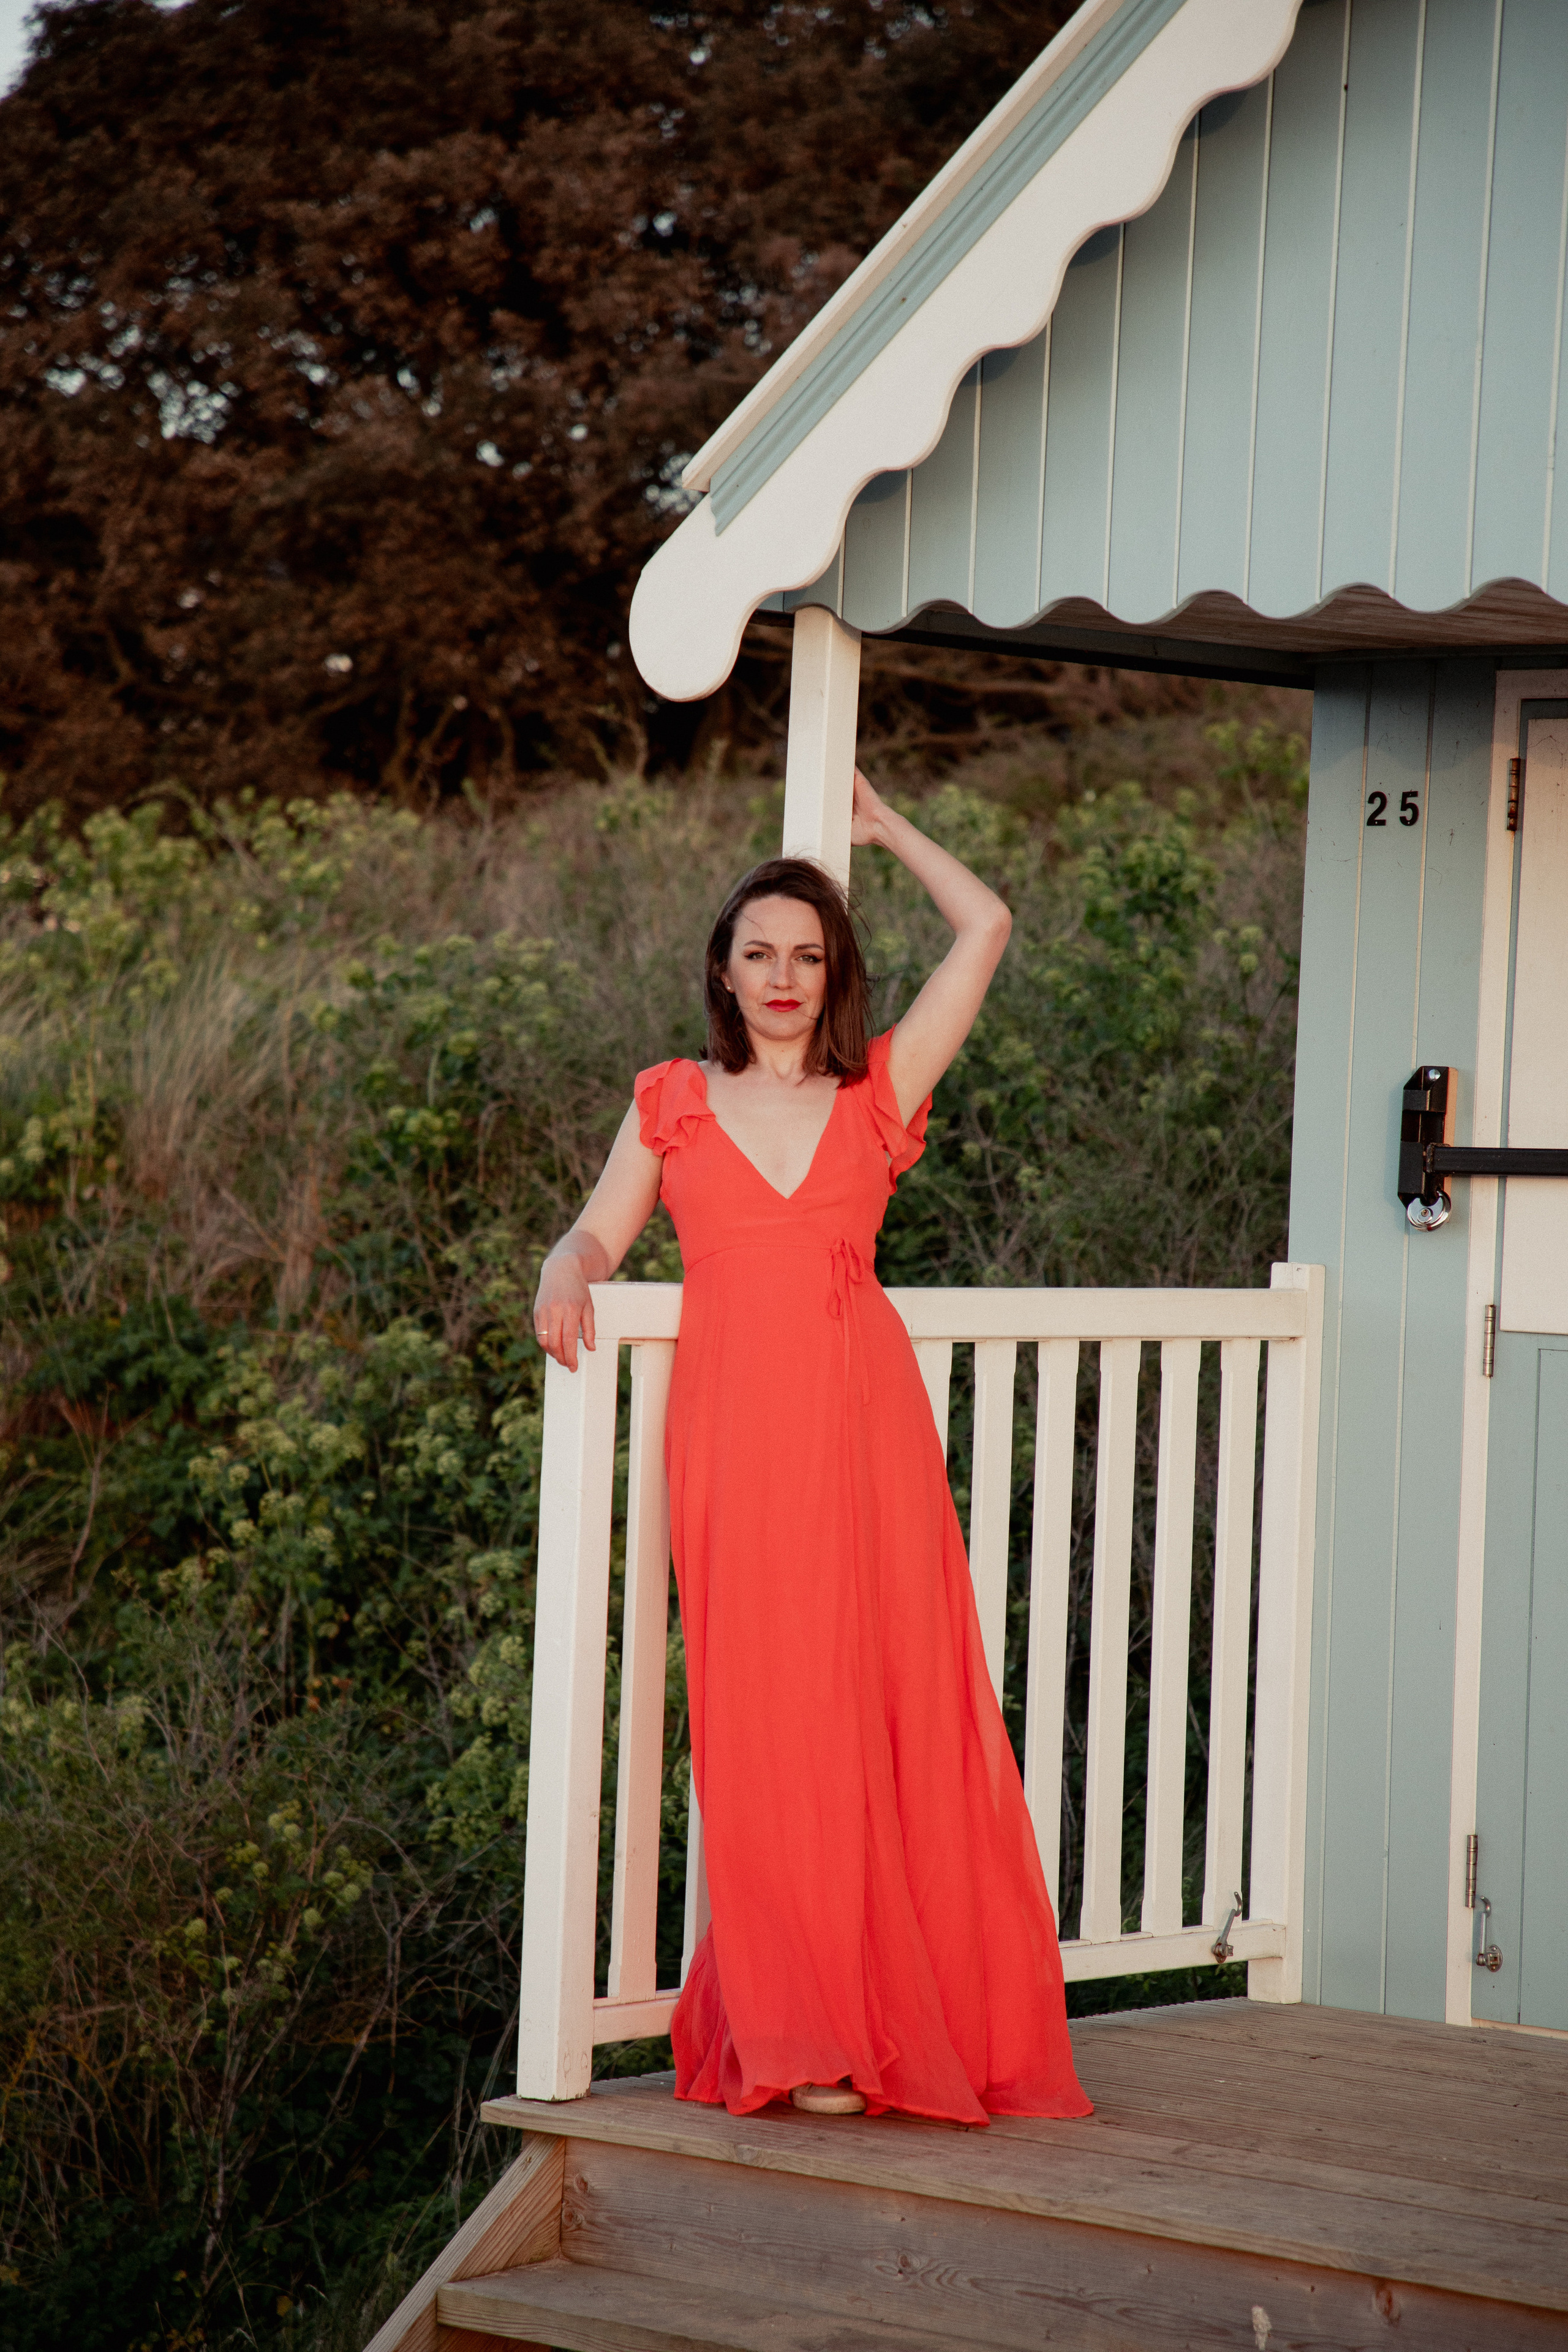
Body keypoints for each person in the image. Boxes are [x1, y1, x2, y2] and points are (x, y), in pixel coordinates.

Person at [533, 768, 1090, 2126]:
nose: (782, 976)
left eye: (807, 955)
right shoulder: (669, 1100)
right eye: (758, 953)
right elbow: (599, 1229)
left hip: (863, 1432)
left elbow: (988, 929)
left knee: (886, 1710)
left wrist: (888, 830)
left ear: (829, 972)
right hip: (733, 1437)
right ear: (721, 973)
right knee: (766, 1727)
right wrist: (562, 1267)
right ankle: (800, 2026)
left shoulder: (876, 1092)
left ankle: (869, 2031)